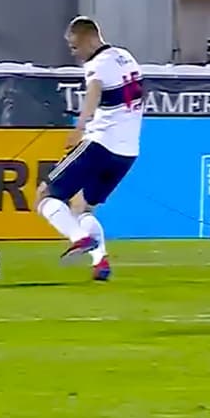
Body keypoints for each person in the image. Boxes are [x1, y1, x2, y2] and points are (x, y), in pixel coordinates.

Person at [35, 16, 143, 281]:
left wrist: (79, 128)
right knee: (82, 207)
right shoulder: (125, 57)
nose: (74, 53)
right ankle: (100, 262)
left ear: (90, 39)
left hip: (100, 144)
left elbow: (94, 92)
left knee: (44, 194)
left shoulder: (97, 64)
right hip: (128, 152)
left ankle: (79, 238)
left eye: (75, 46)